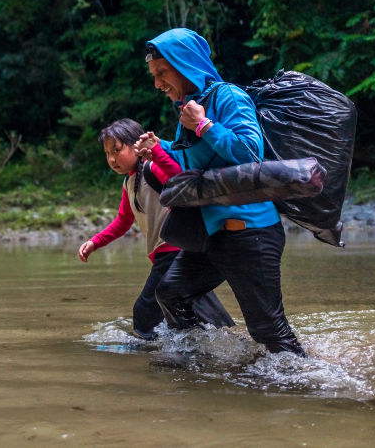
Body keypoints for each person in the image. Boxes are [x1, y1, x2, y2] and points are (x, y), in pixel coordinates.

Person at [145, 28, 306, 356]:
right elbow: (195, 162)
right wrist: (157, 148)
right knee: (171, 293)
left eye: (162, 73)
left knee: (269, 330)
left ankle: (309, 384)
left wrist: (205, 125)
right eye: (154, 75)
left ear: (185, 64)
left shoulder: (227, 97)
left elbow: (250, 154)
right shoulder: (189, 109)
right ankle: (205, 357)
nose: (157, 83)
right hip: (213, 236)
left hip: (250, 234)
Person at [78, 118, 234, 340]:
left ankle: (153, 352)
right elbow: (123, 222)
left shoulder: (152, 168)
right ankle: (227, 341)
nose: (112, 158)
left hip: (173, 251)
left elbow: (179, 178)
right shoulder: (128, 183)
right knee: (207, 316)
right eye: (107, 153)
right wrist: (95, 242)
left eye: (117, 150)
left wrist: (157, 152)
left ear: (136, 145)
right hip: (174, 253)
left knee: (144, 313)